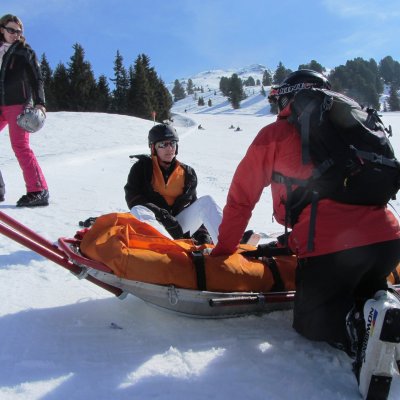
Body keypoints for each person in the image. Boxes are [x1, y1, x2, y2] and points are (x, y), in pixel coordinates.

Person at [211, 70, 400, 394]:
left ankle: (359, 331)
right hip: (388, 241)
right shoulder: (352, 130)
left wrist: (224, 250)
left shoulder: (275, 134)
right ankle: (380, 312)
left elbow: (241, 199)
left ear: (288, 99)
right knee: (367, 293)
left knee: (311, 321)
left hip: (333, 246)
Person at [124, 123, 222, 244]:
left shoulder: (187, 173)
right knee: (138, 209)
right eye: (163, 144)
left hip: (177, 227)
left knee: (207, 201)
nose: (169, 148)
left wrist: (202, 233)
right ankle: (166, 247)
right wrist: (163, 216)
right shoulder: (141, 168)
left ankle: (225, 245)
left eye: (172, 143)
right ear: (153, 148)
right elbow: (133, 198)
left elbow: (193, 206)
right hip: (153, 224)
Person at [0, 14, 49, 207]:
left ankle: (38, 190)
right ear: (2, 29)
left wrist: (40, 103)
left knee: (20, 145)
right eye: (11, 30)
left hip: (18, 103)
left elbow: (37, 78)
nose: (15, 34)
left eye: (18, 32)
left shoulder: (24, 51)